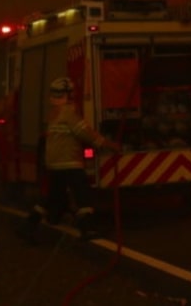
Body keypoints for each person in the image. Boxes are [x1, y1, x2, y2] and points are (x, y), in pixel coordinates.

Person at [19, 77, 120, 241]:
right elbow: (86, 134)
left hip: (55, 164)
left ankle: (27, 227)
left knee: (53, 198)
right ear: (67, 94)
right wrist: (110, 144)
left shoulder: (53, 114)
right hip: (70, 163)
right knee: (83, 195)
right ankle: (87, 229)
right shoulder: (68, 113)